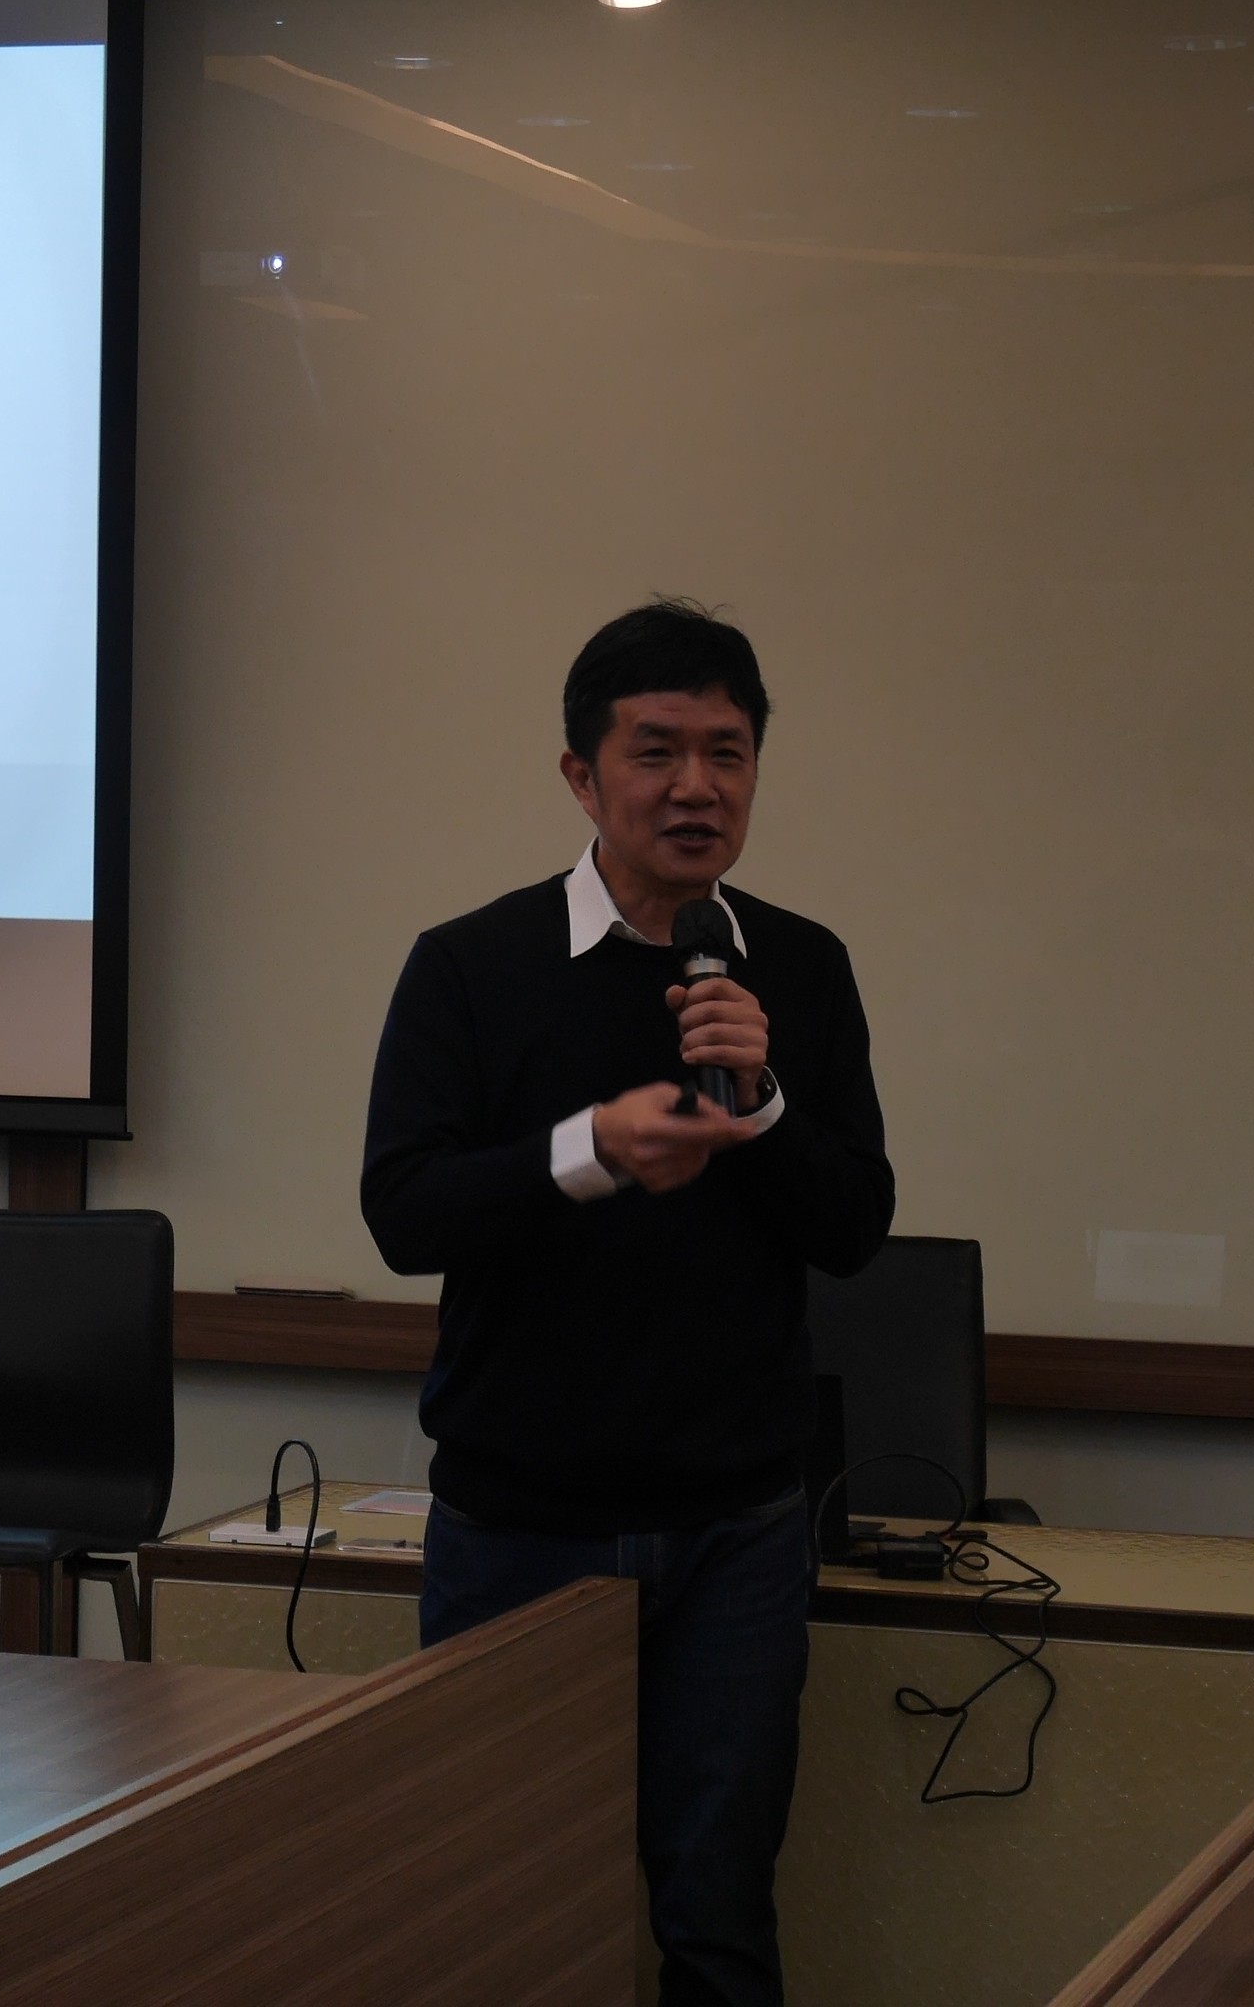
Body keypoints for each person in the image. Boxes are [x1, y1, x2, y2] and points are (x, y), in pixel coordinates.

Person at [360, 599, 894, 2007]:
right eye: (656, 751)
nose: (696, 787)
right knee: (504, 1916)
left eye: (728, 752)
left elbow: (855, 1224)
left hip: (740, 1532)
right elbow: (405, 1211)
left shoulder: (802, 968)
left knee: (719, 1922)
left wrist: (763, 1105)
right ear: (582, 777)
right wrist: (587, 1152)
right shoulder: (471, 965)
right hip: (522, 1530)